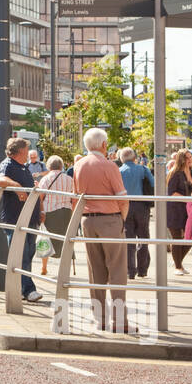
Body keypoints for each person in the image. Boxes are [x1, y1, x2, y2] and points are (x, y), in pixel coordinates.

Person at [74, 128, 131, 332]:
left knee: (95, 270)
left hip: (87, 220)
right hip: (110, 219)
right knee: (117, 270)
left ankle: (100, 319)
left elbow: (76, 197)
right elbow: (122, 198)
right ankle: (120, 321)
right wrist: (121, 219)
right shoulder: (109, 166)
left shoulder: (78, 165)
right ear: (104, 145)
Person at [0, 137, 43, 303]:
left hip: (30, 219)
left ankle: (22, 289)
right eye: (27, 151)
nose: (28, 154)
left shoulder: (24, 167)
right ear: (20, 151)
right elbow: (0, 180)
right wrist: (17, 186)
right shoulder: (8, 164)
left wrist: (40, 210)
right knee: (21, 255)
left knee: (29, 254)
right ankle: (29, 290)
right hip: (16, 220)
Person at [35, 155, 76, 277]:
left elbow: (41, 197)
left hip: (50, 211)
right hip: (66, 212)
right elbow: (74, 198)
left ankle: (44, 267)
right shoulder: (69, 179)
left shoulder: (46, 179)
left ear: (49, 166)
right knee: (66, 240)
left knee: (46, 239)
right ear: (61, 166)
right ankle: (65, 270)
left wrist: (41, 212)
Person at [119, 146, 155, 278]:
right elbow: (153, 184)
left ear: (121, 159)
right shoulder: (143, 169)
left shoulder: (119, 171)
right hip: (142, 205)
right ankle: (142, 269)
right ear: (134, 158)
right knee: (143, 237)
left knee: (128, 239)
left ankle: (130, 271)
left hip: (125, 206)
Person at [166, 150, 192, 276]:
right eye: (187, 157)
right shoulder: (175, 173)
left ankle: (178, 262)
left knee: (191, 237)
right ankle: (178, 267)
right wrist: (188, 199)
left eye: (191, 157)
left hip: (189, 209)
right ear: (181, 159)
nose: (190, 159)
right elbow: (172, 193)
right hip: (175, 209)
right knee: (177, 238)